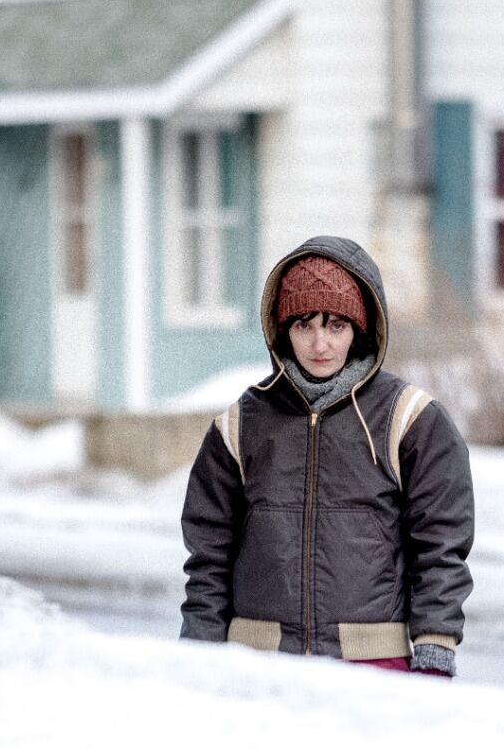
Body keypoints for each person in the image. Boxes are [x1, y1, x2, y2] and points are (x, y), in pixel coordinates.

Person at [180, 235, 475, 677]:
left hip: (372, 666)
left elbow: (441, 546)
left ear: (359, 326)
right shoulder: (242, 424)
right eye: (304, 325)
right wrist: (198, 655)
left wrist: (434, 646)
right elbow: (208, 556)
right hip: (256, 665)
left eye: (335, 325)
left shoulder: (410, 419)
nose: (320, 344)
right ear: (284, 329)